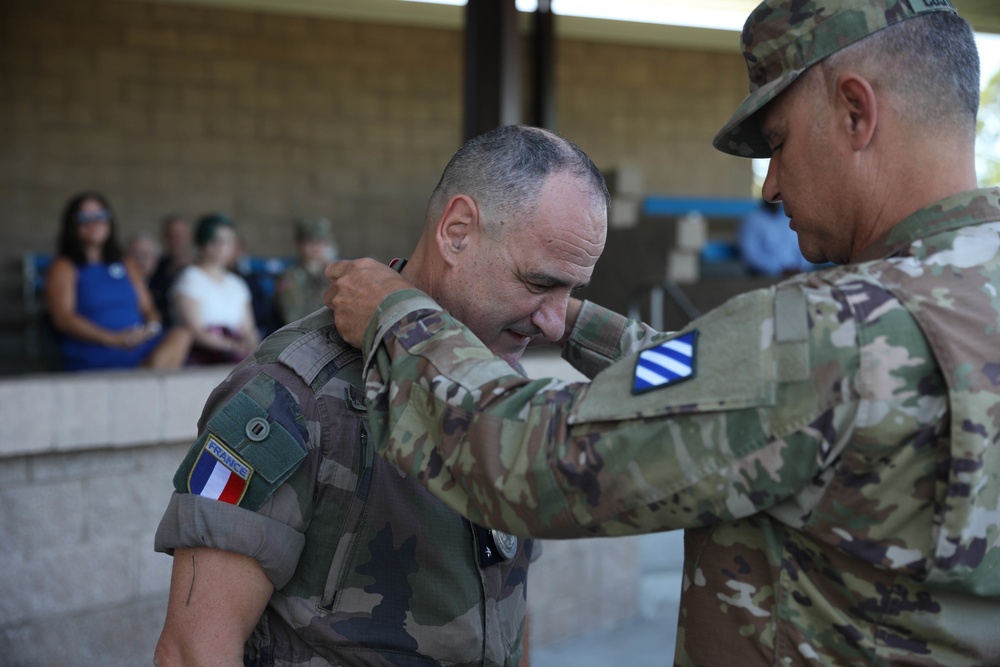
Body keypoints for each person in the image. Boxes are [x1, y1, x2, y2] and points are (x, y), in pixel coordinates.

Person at [324, 2, 1000, 665]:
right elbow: (746, 403)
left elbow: (533, 460)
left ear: (855, 111)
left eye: (778, 143)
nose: (771, 186)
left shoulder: (833, 328)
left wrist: (398, 316)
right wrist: (575, 322)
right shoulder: (961, 299)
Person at [152, 124, 609, 667]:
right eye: (538, 284)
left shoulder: (500, 392)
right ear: (457, 231)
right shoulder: (295, 391)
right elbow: (193, 650)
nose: (556, 325)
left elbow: (507, 604)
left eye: (571, 292)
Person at [44, 191, 192, 372]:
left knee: (181, 335)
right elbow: (63, 319)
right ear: (72, 224)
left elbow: (148, 308)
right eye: (85, 217)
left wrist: (149, 330)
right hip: (94, 350)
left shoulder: (125, 262)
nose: (94, 222)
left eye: (101, 215)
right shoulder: (63, 266)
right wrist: (114, 338)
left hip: (138, 346)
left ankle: (140, 382)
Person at [171, 213, 260, 365]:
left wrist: (253, 347)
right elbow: (195, 331)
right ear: (202, 242)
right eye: (215, 240)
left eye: (227, 241)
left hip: (237, 355)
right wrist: (233, 347)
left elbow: (249, 330)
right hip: (203, 358)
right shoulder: (190, 278)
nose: (221, 247)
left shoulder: (238, 284)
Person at [274, 216, 339, 326]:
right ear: (298, 243)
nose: (316, 246)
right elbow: (293, 317)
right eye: (310, 241)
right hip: (302, 336)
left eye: (320, 241)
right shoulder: (289, 277)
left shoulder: (334, 275)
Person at [738, 198, 813, 276]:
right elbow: (751, 255)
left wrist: (801, 267)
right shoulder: (753, 220)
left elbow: (804, 246)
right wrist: (778, 270)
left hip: (797, 274)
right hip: (766, 277)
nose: (775, 200)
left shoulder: (788, 219)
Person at [149, 214, 193, 328]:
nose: (176, 239)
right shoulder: (155, 267)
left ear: (189, 237)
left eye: (180, 235)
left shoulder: (200, 270)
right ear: (164, 237)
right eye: (170, 235)